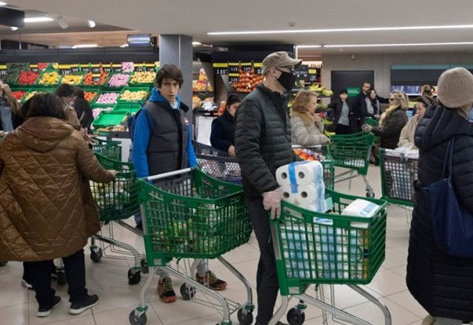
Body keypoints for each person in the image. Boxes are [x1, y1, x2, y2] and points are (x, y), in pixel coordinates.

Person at [407, 67, 473, 325]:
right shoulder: (460, 136)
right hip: (453, 230)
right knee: (453, 300)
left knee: (437, 294)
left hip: (431, 223)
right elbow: (472, 196)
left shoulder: (432, 126)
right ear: (464, 102)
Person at [0, 94, 116, 317]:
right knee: (72, 251)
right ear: (59, 111)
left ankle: (45, 302)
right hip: (66, 207)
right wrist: (110, 175)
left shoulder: (11, 140)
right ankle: (78, 299)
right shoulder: (72, 138)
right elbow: (94, 171)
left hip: (26, 208)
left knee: (36, 252)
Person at [132, 64, 226, 303]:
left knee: (192, 228)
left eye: (175, 85)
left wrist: (194, 171)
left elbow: (188, 146)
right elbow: (139, 150)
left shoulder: (182, 113)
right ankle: (163, 276)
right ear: (159, 86)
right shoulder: (148, 113)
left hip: (182, 181)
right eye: (167, 85)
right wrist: (145, 183)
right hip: (158, 183)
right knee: (161, 232)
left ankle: (202, 271)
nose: (171, 89)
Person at [235, 51, 301, 325]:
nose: (294, 74)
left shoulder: (278, 103)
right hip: (263, 196)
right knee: (275, 261)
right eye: (289, 69)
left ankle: (264, 317)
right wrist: (268, 187)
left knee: (270, 258)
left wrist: (301, 167)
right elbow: (247, 151)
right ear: (274, 71)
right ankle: (264, 320)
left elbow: (279, 148)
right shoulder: (253, 103)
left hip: (279, 190)